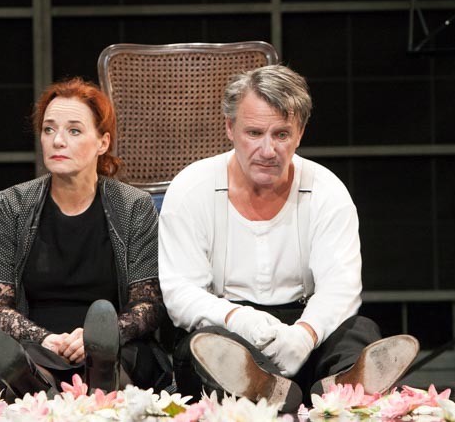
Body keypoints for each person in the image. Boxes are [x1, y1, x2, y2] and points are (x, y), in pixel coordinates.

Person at [158, 65, 419, 412]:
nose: (267, 150)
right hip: (228, 328)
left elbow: (341, 287)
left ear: (300, 133)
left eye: (281, 134)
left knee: (360, 329)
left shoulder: (327, 190)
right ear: (230, 128)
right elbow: (180, 293)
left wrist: (305, 334)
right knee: (207, 347)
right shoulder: (192, 188)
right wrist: (238, 318)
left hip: (305, 328)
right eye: (254, 133)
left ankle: (339, 384)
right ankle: (271, 387)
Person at [0, 77, 170, 398]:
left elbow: (148, 304)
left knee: (115, 357)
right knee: (24, 360)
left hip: (116, 346)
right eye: (49, 130)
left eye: (74, 131)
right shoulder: (10, 205)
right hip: (38, 347)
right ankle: (33, 380)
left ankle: (95, 376)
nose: (57, 141)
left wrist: (99, 337)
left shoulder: (133, 206)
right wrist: (45, 339)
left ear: (102, 142)